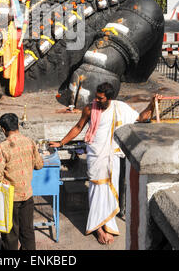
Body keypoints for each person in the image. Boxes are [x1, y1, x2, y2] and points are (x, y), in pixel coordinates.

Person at [49, 82, 155, 245]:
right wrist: (61, 143)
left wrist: (153, 103)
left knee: (110, 189)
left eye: (100, 98)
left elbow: (141, 118)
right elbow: (78, 127)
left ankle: (107, 223)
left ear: (109, 98)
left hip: (112, 156)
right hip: (96, 155)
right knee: (97, 190)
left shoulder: (119, 108)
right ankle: (98, 228)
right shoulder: (89, 109)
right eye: (96, 97)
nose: (96, 100)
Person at [0, 112, 44, 250]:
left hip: (10, 198)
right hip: (27, 195)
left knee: (10, 233)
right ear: (18, 125)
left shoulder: (2, 147)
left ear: (3, 129)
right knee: (27, 231)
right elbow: (39, 165)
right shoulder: (30, 142)